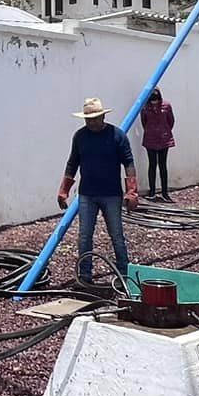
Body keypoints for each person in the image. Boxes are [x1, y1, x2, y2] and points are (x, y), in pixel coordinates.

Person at [58, 96, 140, 289]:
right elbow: (73, 163)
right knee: (84, 236)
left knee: (117, 236)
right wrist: (64, 190)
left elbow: (129, 163)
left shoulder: (117, 136)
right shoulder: (80, 137)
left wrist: (132, 191)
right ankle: (85, 276)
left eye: (95, 118)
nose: (92, 122)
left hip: (111, 194)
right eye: (88, 119)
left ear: (103, 117)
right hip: (87, 194)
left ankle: (123, 276)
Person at [140, 88, 176, 200]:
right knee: (152, 165)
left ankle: (165, 193)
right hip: (150, 139)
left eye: (156, 100)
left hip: (164, 139)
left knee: (162, 165)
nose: (154, 102)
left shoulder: (166, 106)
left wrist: (164, 131)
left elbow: (171, 121)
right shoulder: (145, 107)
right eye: (152, 100)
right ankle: (152, 192)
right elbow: (144, 122)